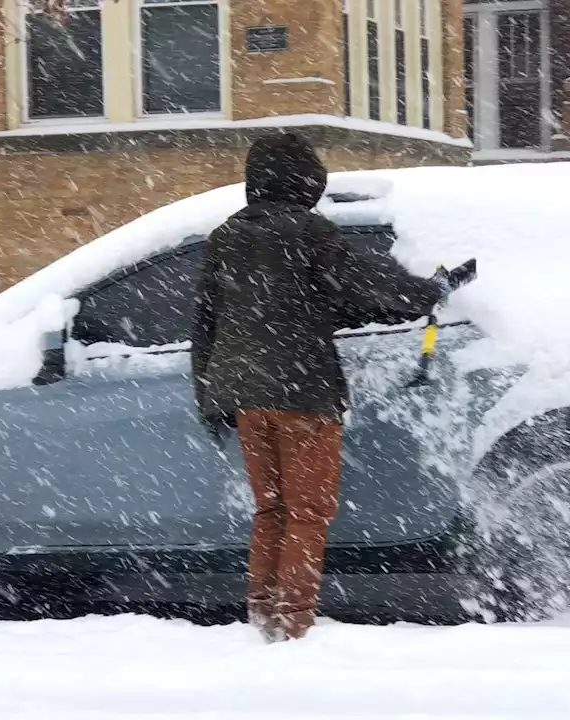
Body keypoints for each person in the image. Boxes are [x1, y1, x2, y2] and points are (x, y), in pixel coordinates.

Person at [190, 133, 449, 642]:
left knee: (272, 510)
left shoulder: (225, 236)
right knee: (309, 513)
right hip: (301, 390)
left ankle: (264, 617)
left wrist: (210, 397)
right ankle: (292, 627)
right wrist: (432, 290)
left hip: (244, 395)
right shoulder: (308, 231)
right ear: (306, 181)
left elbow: (205, 322)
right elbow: (365, 283)